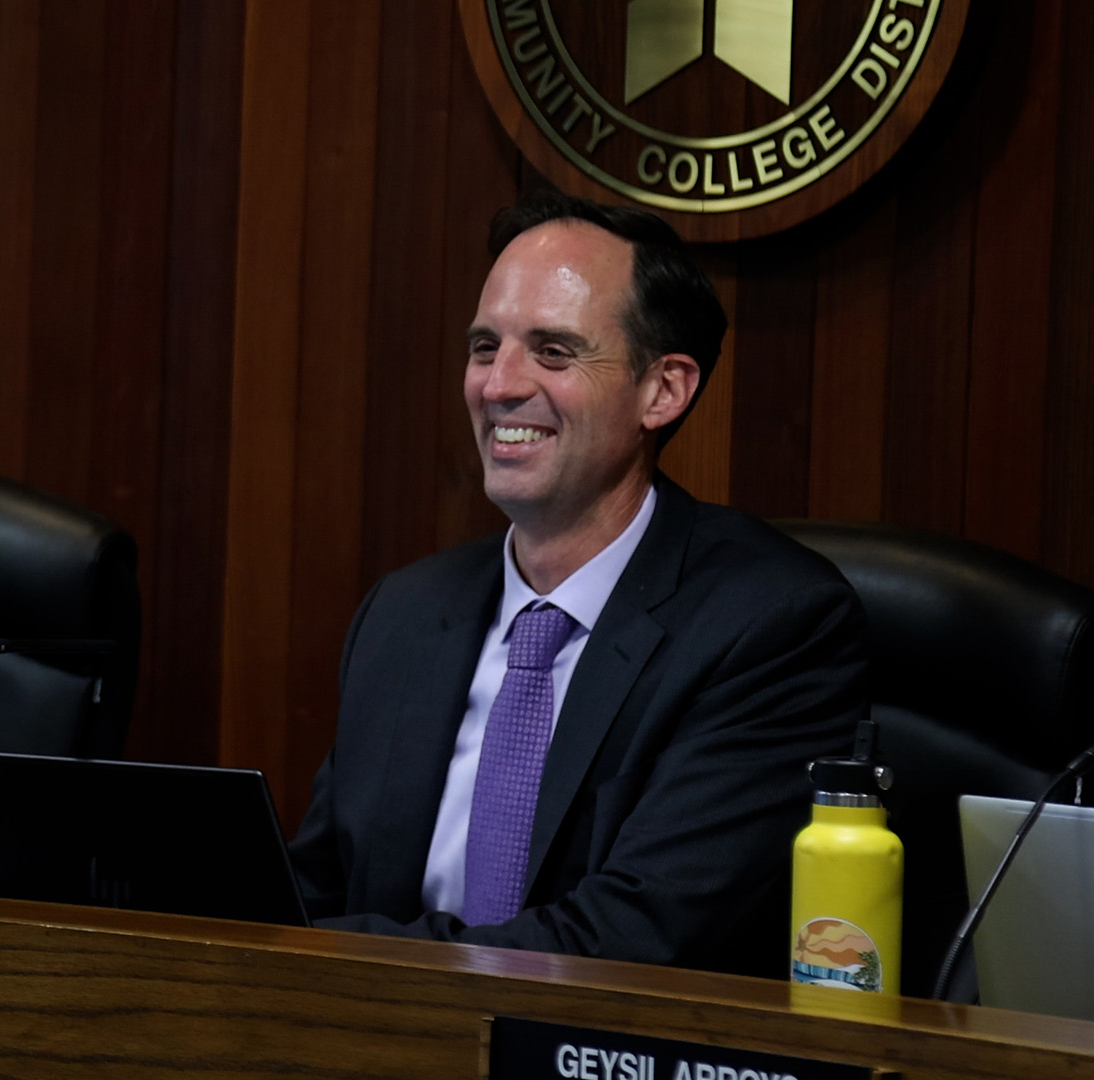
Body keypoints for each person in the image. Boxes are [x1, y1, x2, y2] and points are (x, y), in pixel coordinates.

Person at [288, 193, 867, 978]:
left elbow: (634, 941)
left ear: (663, 390)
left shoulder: (771, 625)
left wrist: (342, 961)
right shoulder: (405, 613)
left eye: (553, 352)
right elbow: (314, 893)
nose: (498, 385)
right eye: (485, 347)